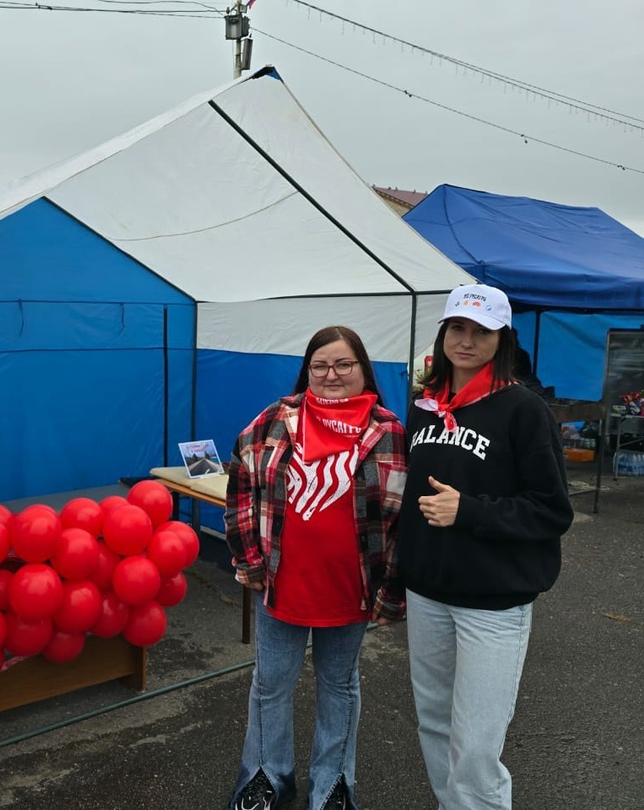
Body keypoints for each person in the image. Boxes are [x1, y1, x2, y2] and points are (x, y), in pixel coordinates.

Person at [399, 284, 573, 810]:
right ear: (443, 333)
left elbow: (552, 510)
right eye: (458, 328)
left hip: (493, 602)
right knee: (433, 721)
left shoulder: (523, 409)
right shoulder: (425, 407)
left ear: (503, 339)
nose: (467, 341)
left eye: (481, 331)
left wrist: (469, 511)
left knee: (475, 742)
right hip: (428, 592)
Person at [225, 325, 407, 810]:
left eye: (343, 364)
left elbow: (402, 519)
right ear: (306, 370)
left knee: (341, 688)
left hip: (350, 590)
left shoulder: (388, 431)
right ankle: (265, 778)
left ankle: (332, 787)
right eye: (320, 365)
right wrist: (249, 559)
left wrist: (392, 588)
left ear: (362, 369)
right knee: (270, 684)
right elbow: (241, 485)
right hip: (281, 585)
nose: (331, 374)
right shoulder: (274, 420)